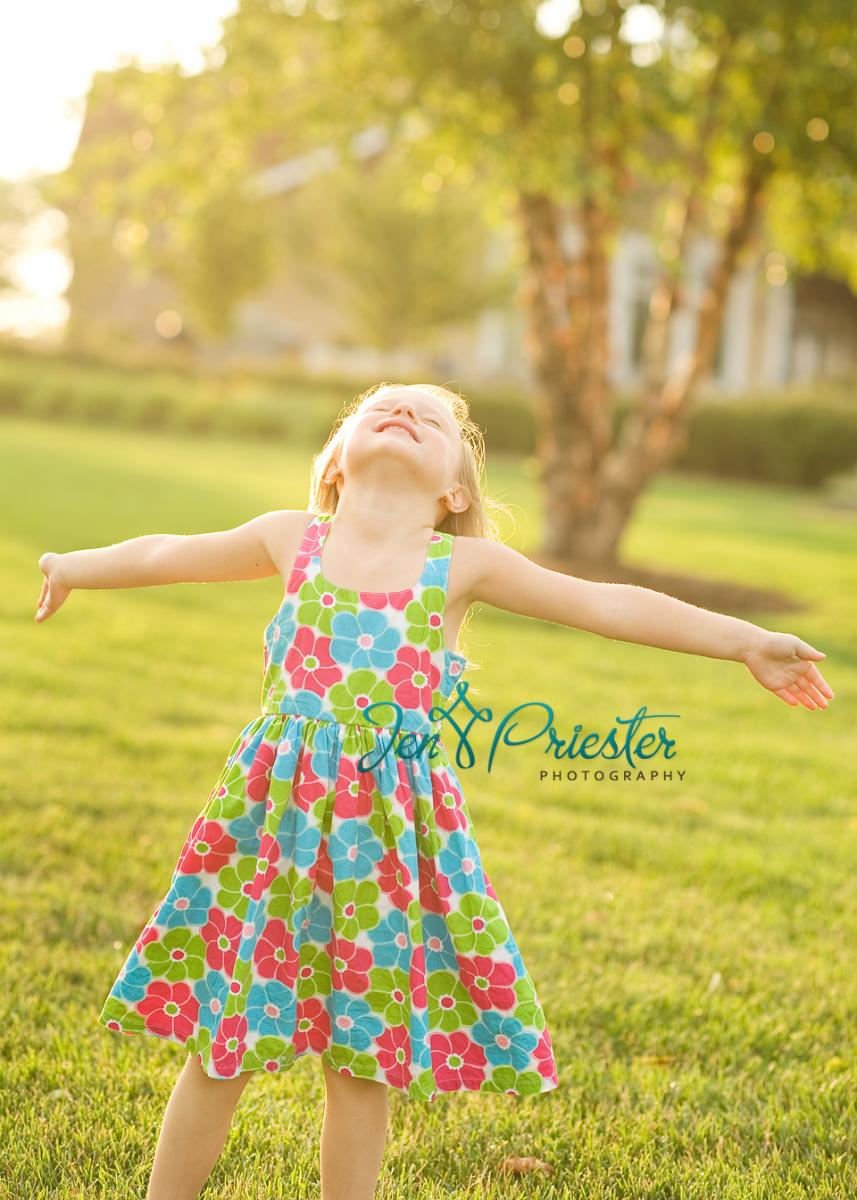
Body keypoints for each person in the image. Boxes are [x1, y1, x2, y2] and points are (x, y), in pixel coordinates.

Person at [35, 381, 834, 1200]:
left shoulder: (462, 566)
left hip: (388, 843)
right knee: (224, 1042)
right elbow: (167, 553)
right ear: (336, 463)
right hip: (272, 832)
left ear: (455, 489)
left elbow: (606, 603)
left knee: (362, 1057)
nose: (403, 410)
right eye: (379, 403)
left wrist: (745, 640)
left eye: (434, 416)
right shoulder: (290, 539)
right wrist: (71, 566)